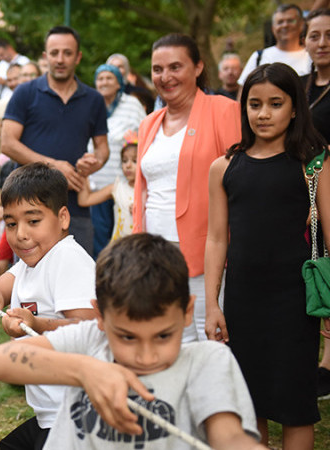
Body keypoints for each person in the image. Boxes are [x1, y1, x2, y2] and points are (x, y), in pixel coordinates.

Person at [0, 233, 265, 450]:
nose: (146, 355)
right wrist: (83, 371)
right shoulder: (93, 340)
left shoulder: (207, 361)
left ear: (187, 311)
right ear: (101, 317)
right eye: (127, 337)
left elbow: (228, 435)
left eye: (163, 335)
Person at [205, 63, 329, 448]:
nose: (263, 113)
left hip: (295, 303)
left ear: (295, 108)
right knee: (248, 404)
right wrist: (212, 303)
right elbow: (215, 239)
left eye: (275, 103)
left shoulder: (315, 162)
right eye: (254, 104)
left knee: (295, 406)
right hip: (243, 303)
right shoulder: (224, 166)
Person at [0, 163, 96, 449]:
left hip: (78, 418)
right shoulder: (30, 263)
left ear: (63, 218)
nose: (21, 234)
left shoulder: (66, 258)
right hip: (49, 416)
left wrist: (37, 323)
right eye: (11, 224)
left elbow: (91, 330)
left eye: (33, 221)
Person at [133, 34, 241, 342]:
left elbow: (240, 180)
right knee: (171, 337)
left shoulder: (223, 110)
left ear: (197, 68)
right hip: (155, 253)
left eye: (175, 67)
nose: (165, 77)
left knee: (211, 340)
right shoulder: (149, 123)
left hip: (206, 251)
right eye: (157, 69)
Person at [2, 26, 109, 256]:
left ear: (78, 57)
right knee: (28, 286)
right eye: (54, 53)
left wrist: (95, 162)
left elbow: (102, 149)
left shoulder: (94, 99)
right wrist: (53, 166)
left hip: (75, 209)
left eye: (67, 53)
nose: (60, 59)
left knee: (79, 283)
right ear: (45, 56)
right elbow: (7, 143)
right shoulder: (25, 93)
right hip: (28, 209)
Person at [87, 64, 146, 255]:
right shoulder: (91, 104)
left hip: (125, 182)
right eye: (100, 78)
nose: (104, 82)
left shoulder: (132, 104)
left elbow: (144, 136)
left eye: (109, 78)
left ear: (119, 83)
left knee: (126, 234)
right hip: (98, 182)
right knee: (101, 238)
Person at [303, 9, 330, 399]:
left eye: (329, 34)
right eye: (314, 35)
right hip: (305, 190)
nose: (322, 42)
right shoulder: (300, 85)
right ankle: (320, 360)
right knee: (317, 262)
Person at [79, 135, 138, 241]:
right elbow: (84, 200)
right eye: (124, 161)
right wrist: (84, 173)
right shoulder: (117, 188)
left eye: (134, 161)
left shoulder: (150, 190)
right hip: (120, 248)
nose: (128, 165)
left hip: (142, 248)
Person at [238, 4, 312, 87]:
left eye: (291, 21)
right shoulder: (259, 57)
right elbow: (243, 92)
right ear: (273, 28)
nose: (285, 25)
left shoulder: (312, 57)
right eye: (280, 22)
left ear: (301, 24)